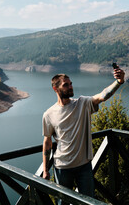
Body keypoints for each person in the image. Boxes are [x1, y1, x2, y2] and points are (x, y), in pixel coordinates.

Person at [42, 65, 125, 205]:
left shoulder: (82, 103)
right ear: (55, 89)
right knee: (62, 202)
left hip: (84, 166)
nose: (70, 87)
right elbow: (47, 142)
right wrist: (45, 170)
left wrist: (119, 82)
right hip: (62, 168)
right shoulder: (48, 114)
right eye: (66, 85)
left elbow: (102, 96)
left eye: (71, 84)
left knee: (89, 202)